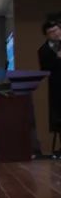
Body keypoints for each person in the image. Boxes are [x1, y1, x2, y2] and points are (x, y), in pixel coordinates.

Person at [38, 20, 61, 150]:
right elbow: (45, 69)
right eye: (51, 32)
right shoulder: (43, 50)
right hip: (58, 89)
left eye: (57, 30)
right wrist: (57, 58)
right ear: (47, 35)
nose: (55, 33)